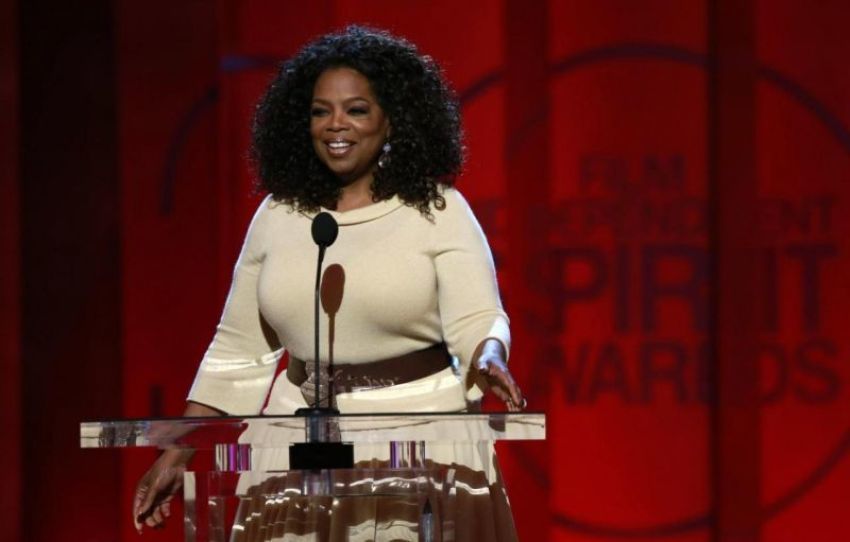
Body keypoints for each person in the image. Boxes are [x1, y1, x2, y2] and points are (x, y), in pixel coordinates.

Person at [133, 25, 524, 539]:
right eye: (321, 111)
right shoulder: (279, 215)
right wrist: (177, 448)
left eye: (356, 110)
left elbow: (476, 320)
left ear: (391, 121)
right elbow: (239, 350)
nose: (335, 125)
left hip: (418, 441)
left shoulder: (438, 210)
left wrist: (488, 354)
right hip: (294, 443)